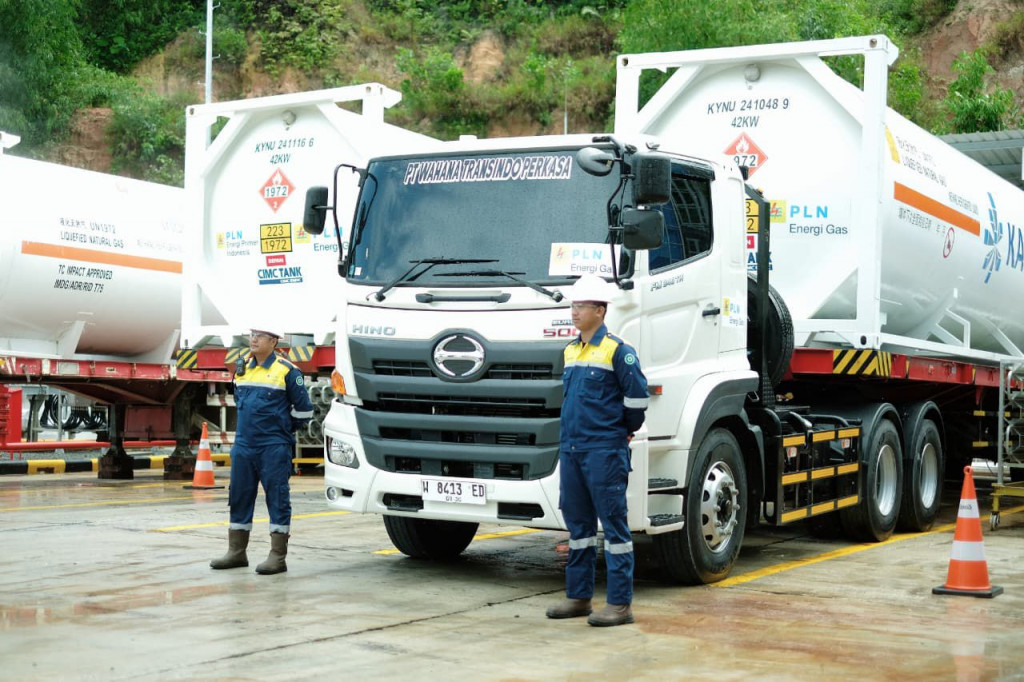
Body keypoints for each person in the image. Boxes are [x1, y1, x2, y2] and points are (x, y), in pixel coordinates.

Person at [547, 274, 649, 627]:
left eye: (581, 306)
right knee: (578, 528)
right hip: (572, 449)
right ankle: (579, 598)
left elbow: (637, 399)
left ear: (600, 311)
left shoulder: (619, 351)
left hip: (603, 450)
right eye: (572, 306)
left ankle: (620, 605)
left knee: (614, 528)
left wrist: (624, 432)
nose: (574, 312)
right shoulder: (571, 350)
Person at [210, 328, 314, 575]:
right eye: (252, 334)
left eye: (260, 335)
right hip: (244, 445)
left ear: (274, 341)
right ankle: (236, 552)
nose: (253, 339)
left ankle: (277, 556)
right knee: (239, 496)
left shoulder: (287, 370)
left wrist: (281, 430)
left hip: (273, 446)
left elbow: (304, 411)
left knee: (277, 498)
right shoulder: (243, 367)